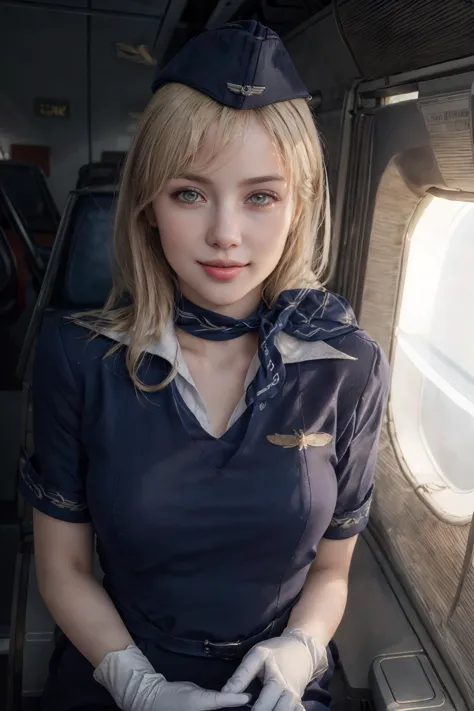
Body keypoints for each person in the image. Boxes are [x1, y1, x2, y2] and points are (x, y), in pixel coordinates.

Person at [18, 19, 389, 711]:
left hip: (275, 690)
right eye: (190, 192)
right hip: (118, 671)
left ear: (299, 203)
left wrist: (302, 646)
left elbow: (334, 568)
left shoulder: (350, 366)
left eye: (260, 196)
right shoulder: (77, 358)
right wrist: (138, 685)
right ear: (150, 206)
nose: (226, 233)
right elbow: (62, 568)